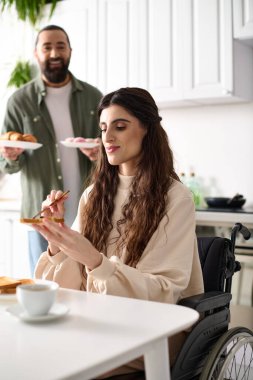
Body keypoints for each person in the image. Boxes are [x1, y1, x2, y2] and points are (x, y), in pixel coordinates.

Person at [32, 87, 204, 378]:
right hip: (101, 321)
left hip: (156, 330)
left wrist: (96, 263)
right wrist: (57, 241)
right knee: (35, 351)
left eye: (120, 127)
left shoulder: (176, 199)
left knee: (62, 365)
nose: (107, 138)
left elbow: (163, 294)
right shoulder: (92, 196)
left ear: (147, 129)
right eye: (103, 128)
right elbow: (66, 290)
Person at [0, 25, 103, 275]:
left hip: (89, 213)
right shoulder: (20, 101)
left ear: (70, 51)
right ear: (37, 54)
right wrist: (11, 155)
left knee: (92, 283)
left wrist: (100, 155)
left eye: (60, 46)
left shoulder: (93, 97)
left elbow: (112, 152)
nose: (54, 53)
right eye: (47, 47)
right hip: (41, 218)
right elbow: (6, 163)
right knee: (47, 285)